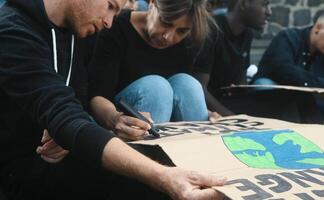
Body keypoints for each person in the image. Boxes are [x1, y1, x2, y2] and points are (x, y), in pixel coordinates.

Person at [0, 0, 227, 199]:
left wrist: (65, 130)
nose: (109, 22)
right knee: (150, 183)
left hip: (62, 155)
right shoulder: (12, 30)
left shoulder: (76, 29)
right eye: (110, 6)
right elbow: (68, 115)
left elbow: (74, 105)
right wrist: (163, 176)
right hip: (20, 174)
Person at [88, 0, 219, 141]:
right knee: (157, 87)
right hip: (116, 116)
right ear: (152, 4)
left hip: (167, 126)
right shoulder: (117, 26)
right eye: (165, 22)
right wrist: (115, 118)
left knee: (188, 84)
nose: (168, 37)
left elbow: (181, 94)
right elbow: (97, 94)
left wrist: (204, 113)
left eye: (181, 31)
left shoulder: (191, 40)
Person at [253, 6, 324, 141]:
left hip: (307, 101)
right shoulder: (288, 37)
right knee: (265, 85)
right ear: (318, 28)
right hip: (276, 97)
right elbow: (282, 70)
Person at [193, 0, 272, 116]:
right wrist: (232, 118)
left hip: (226, 99)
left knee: (282, 105)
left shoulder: (247, 34)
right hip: (204, 106)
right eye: (264, 4)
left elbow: (241, 82)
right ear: (244, 4)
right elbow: (199, 89)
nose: (269, 12)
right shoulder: (210, 29)